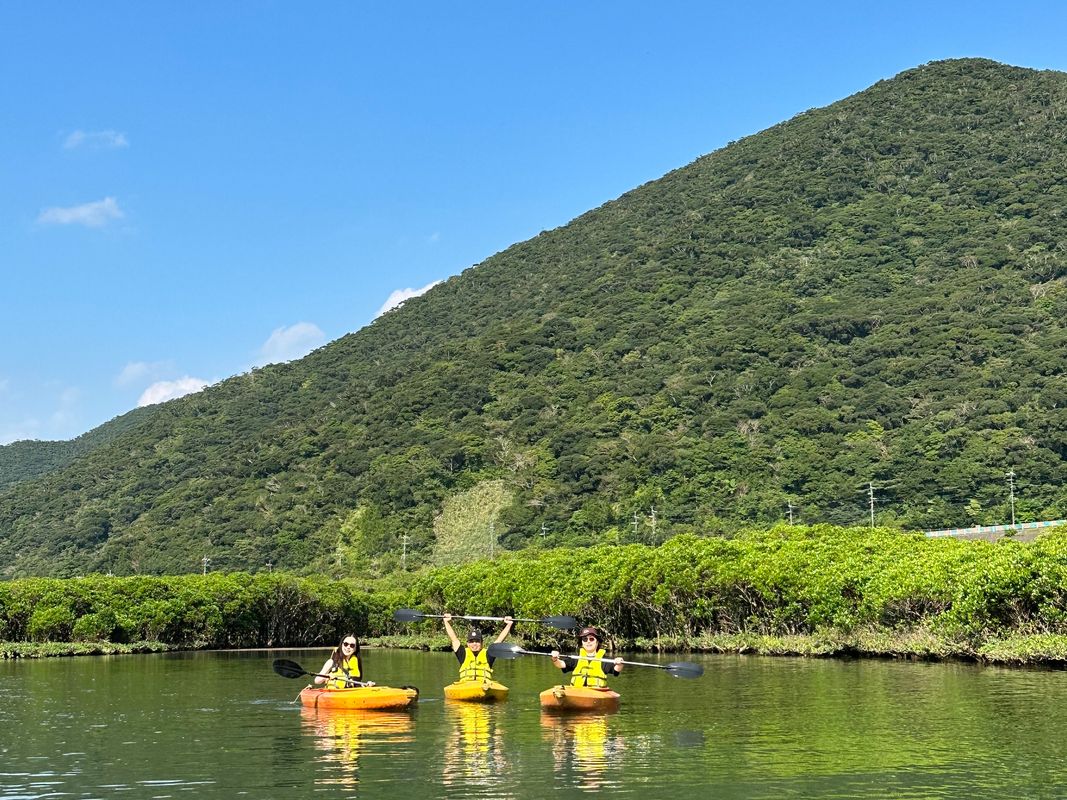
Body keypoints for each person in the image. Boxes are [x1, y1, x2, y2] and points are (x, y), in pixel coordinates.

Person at [443, 613, 514, 682]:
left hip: (484, 685)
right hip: (466, 686)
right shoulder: (463, 653)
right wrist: (446, 622)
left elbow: (499, 640)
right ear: (467, 644)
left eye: (477, 641)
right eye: (471, 641)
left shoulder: (488, 654)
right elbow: (453, 638)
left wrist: (509, 624)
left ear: (482, 643)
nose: (474, 644)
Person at [550, 626, 623, 687]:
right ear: (582, 642)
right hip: (577, 692)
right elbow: (561, 664)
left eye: (591, 639)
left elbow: (616, 669)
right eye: (585, 639)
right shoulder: (576, 658)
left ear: (597, 642)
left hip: (596, 694)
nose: (588, 641)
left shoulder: (604, 660)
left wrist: (620, 662)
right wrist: (555, 659)